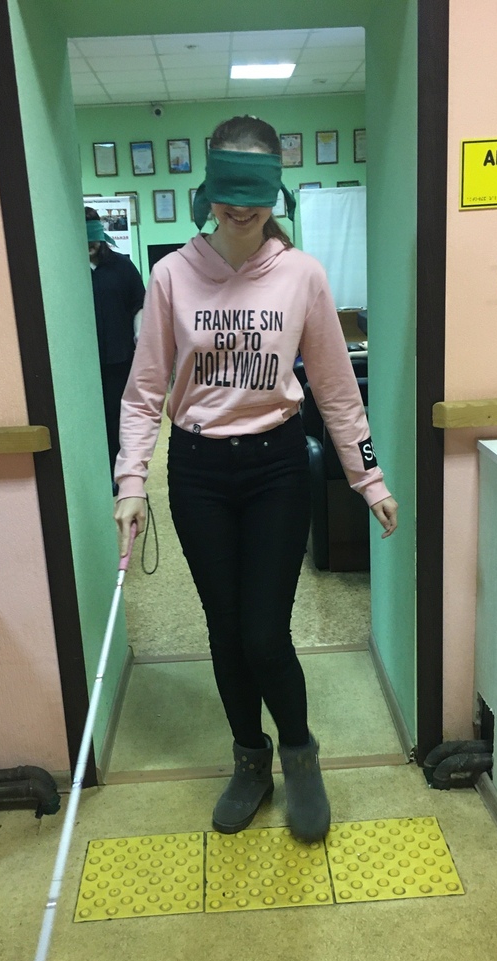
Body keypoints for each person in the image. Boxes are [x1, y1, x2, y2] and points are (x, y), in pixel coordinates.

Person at [114, 116, 398, 843]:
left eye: (256, 191)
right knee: (225, 630)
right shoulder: (171, 276)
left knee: (264, 633)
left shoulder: (303, 275)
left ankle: (300, 757)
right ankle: (250, 762)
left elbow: (337, 389)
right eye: (227, 190)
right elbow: (144, 392)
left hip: (276, 465)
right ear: (207, 187)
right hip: (199, 471)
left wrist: (369, 477)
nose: (240, 208)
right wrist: (131, 481)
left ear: (276, 190)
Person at [85, 206, 145, 485]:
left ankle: (123, 475)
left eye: (93, 238)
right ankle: (98, 474)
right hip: (83, 363)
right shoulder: (67, 270)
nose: (90, 245)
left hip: (119, 359)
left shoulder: (122, 266)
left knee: (120, 418)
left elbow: (139, 303)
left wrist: (139, 333)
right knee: (91, 420)